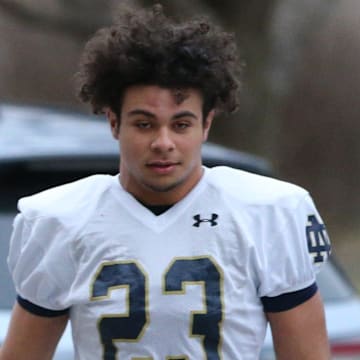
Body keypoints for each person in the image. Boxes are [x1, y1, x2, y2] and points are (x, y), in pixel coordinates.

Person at [0, 3, 331, 360]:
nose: (163, 142)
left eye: (181, 124)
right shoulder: (59, 219)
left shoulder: (269, 211)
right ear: (113, 122)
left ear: (206, 125)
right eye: (144, 124)